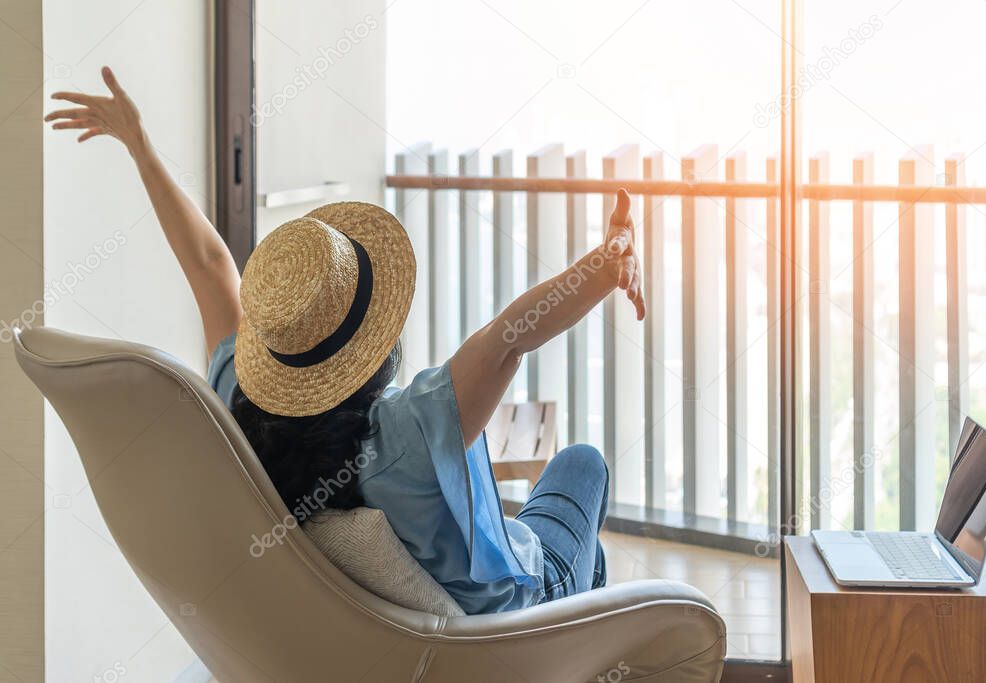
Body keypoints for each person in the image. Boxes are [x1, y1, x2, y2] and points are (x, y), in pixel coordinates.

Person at [47, 67, 646, 615]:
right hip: (513, 613)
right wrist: (607, 264)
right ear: (373, 342)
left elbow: (208, 265)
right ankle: (579, 633)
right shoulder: (409, 435)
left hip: (405, 626)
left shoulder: (236, 402)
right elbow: (510, 338)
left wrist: (139, 147)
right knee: (581, 465)